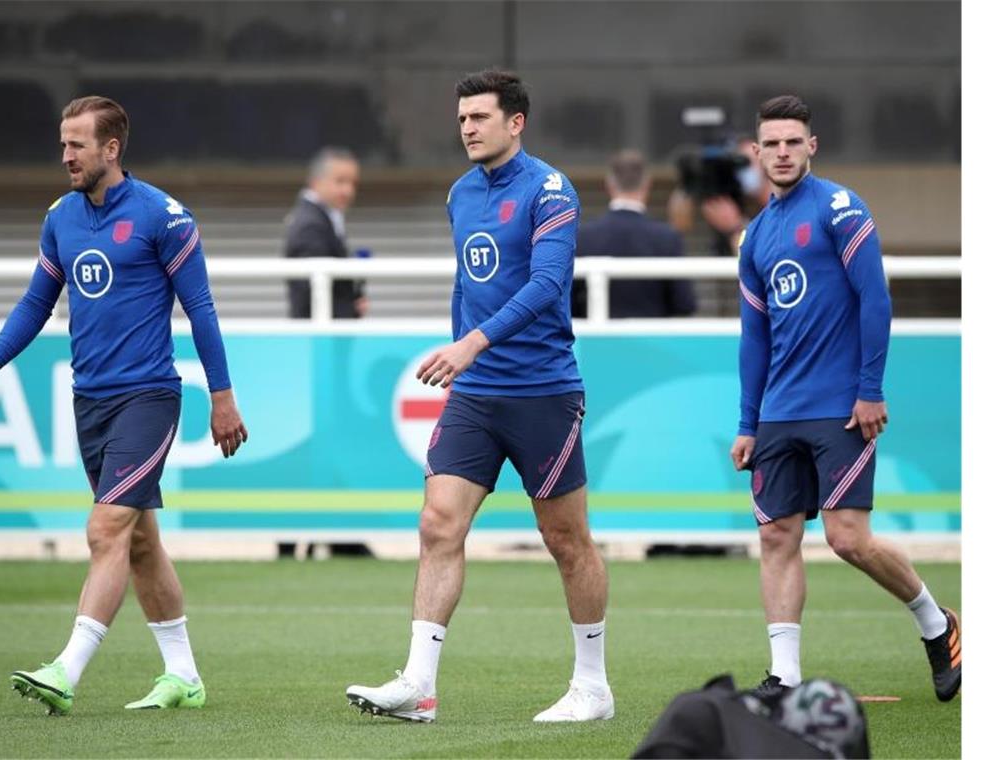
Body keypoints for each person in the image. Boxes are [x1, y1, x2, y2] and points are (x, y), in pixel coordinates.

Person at [0, 95, 249, 715]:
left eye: (77, 145)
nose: (66, 155)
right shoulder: (61, 217)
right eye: (63, 144)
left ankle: (67, 669)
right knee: (140, 542)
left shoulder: (162, 217)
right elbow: (37, 301)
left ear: (111, 149)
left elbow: (201, 309)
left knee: (105, 527)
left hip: (148, 397)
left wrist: (222, 396)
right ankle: (184, 676)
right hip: (89, 401)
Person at [345, 70, 613, 723]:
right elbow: (469, 283)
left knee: (566, 537)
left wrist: (474, 343)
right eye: (462, 117)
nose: (467, 127)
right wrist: (463, 348)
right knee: (438, 523)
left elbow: (549, 283)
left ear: (515, 122)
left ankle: (592, 687)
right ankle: (419, 685)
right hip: (478, 392)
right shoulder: (462, 193)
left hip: (544, 389)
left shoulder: (551, 191)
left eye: (480, 117)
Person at [730, 95, 960, 703]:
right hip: (777, 412)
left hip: (839, 406)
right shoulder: (754, 237)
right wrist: (747, 421)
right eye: (770, 143)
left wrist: (870, 389)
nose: (781, 152)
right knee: (776, 536)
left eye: (792, 141)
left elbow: (874, 299)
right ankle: (784, 678)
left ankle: (938, 625)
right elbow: (755, 338)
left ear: (811, 146)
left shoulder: (839, 206)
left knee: (848, 539)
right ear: (756, 153)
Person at [571, 149, 697, 318]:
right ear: (647, 184)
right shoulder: (667, 237)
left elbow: (568, 303)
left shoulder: (582, 236)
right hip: (653, 341)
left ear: (609, 184)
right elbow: (684, 303)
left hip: (597, 341)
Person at [283, 147, 368, 319]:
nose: (348, 191)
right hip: (319, 337)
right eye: (340, 181)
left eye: (353, 183)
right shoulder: (310, 224)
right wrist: (350, 309)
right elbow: (310, 292)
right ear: (315, 182)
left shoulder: (322, 217)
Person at [668, 135, 771, 256]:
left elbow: (758, 260)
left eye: (746, 162)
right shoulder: (727, 193)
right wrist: (688, 184)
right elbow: (680, 226)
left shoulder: (780, 207)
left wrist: (736, 226)